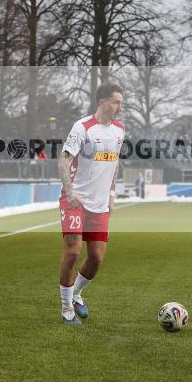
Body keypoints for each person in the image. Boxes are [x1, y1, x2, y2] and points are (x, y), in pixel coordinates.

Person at [57, 82, 124, 326]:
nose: (119, 107)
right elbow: (63, 160)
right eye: (116, 102)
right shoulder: (82, 127)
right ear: (102, 102)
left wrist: (112, 194)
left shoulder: (119, 130)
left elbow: (114, 163)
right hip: (75, 201)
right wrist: (69, 191)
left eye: (121, 103)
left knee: (96, 258)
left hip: (99, 205)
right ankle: (66, 309)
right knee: (73, 252)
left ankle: (76, 294)